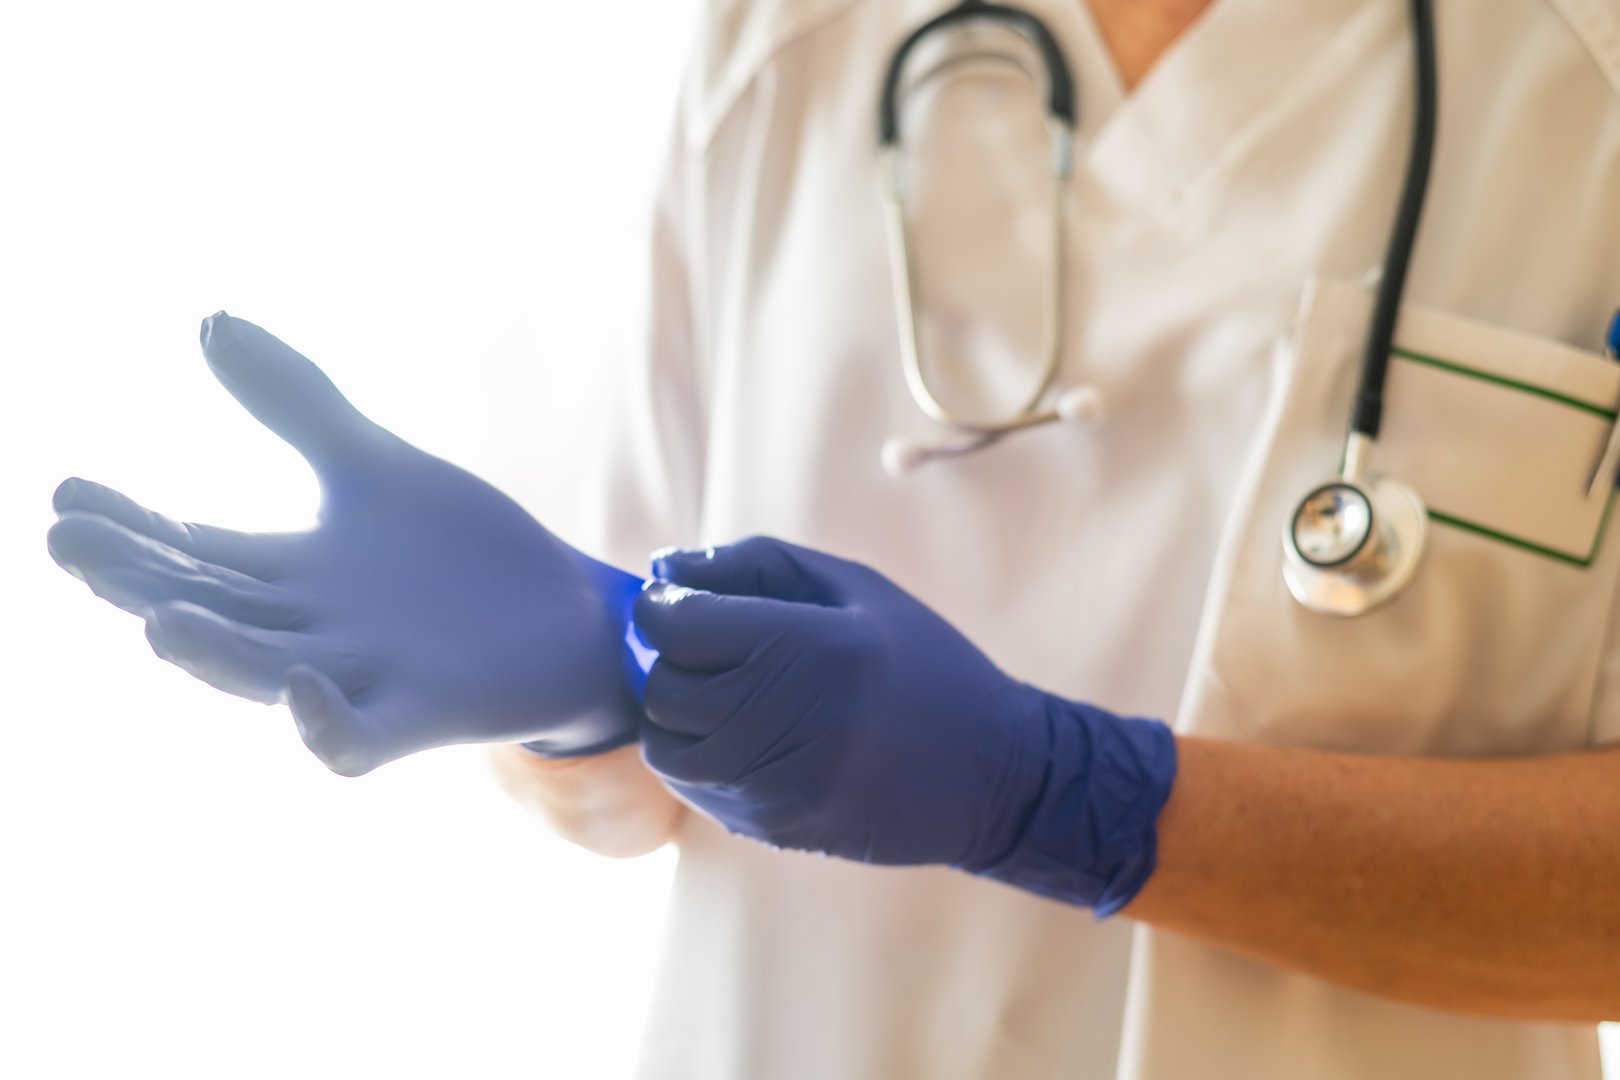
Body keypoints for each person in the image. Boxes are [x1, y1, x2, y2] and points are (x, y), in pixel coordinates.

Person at [47, 0, 1620, 1077]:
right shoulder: (777, 43)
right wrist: (581, 686)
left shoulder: (1581, 91)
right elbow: (612, 789)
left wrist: (1070, 800)